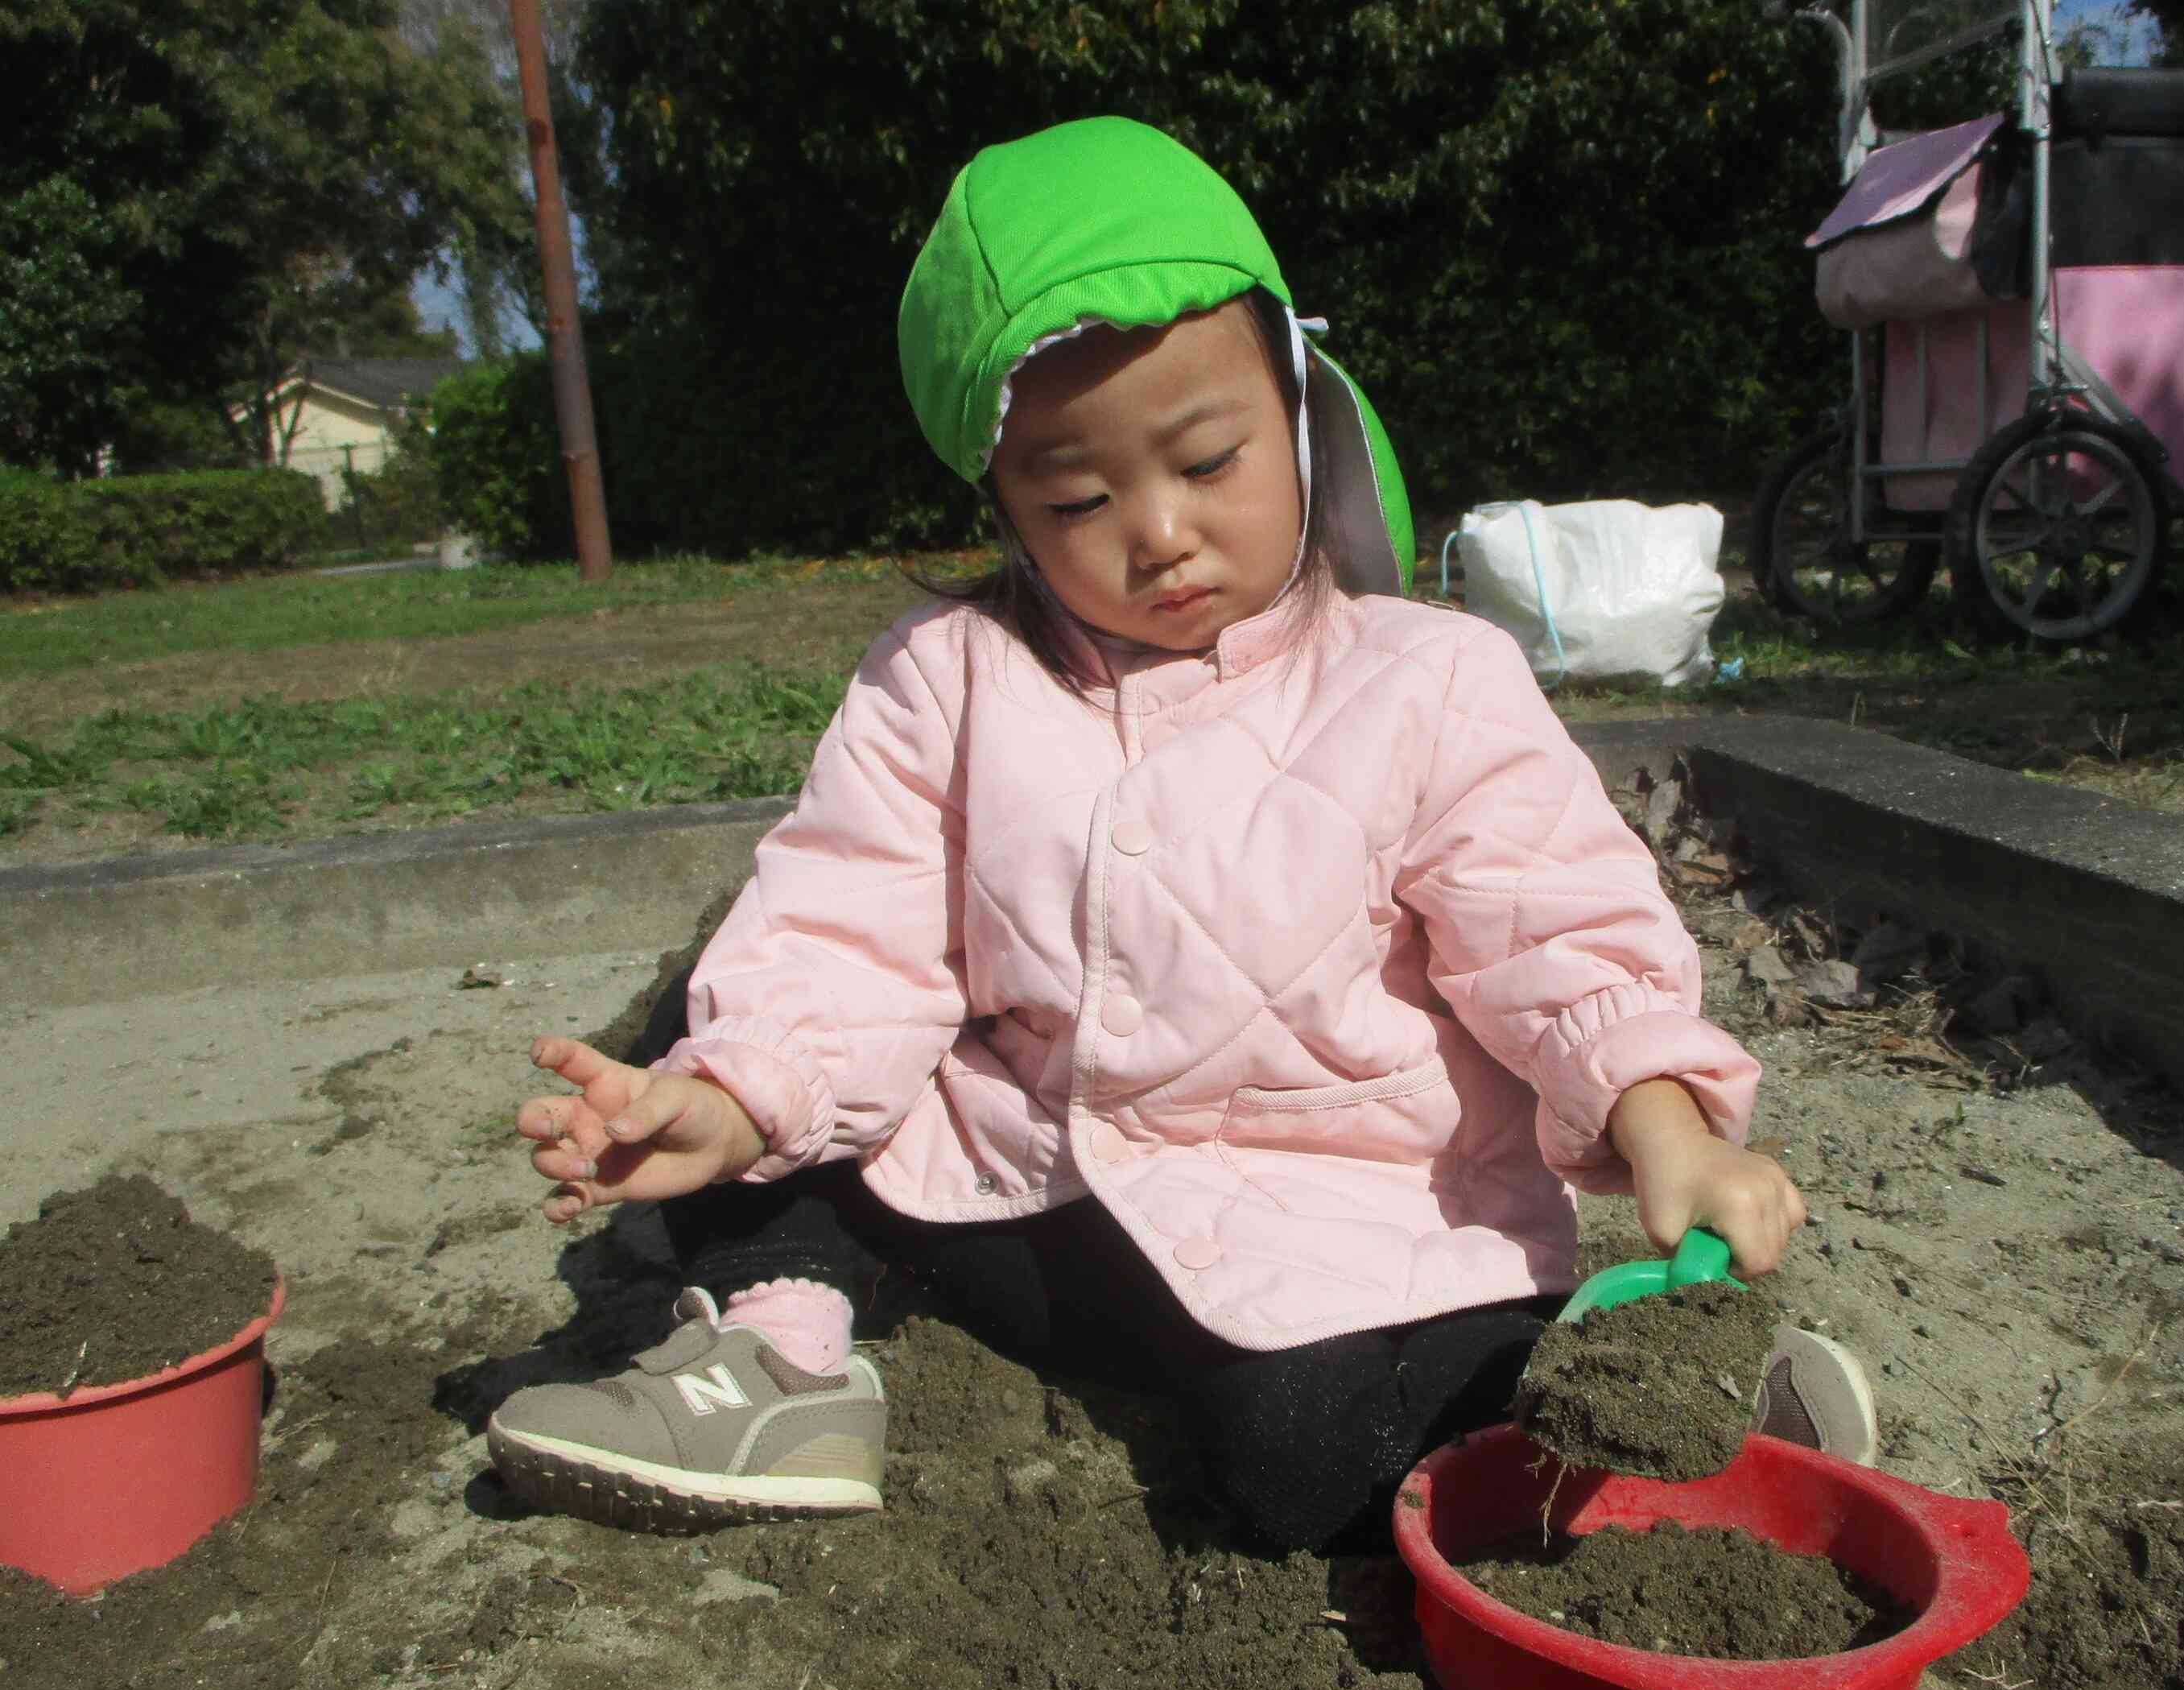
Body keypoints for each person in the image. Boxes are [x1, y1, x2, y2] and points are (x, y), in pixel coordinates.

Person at [488, 116, 1876, 1551]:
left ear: (1299, 408)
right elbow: (848, 934)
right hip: (1025, 1177)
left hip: (1327, 1206)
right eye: (1079, 498)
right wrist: (723, 1104)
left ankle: (1654, 1409)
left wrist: (1668, 1127)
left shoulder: (1426, 678)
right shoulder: (950, 678)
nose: (1157, 533)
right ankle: (780, 1355)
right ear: (1008, 510)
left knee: (1296, 1464)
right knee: (720, 1034)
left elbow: (1559, 937)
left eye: (1210, 461)